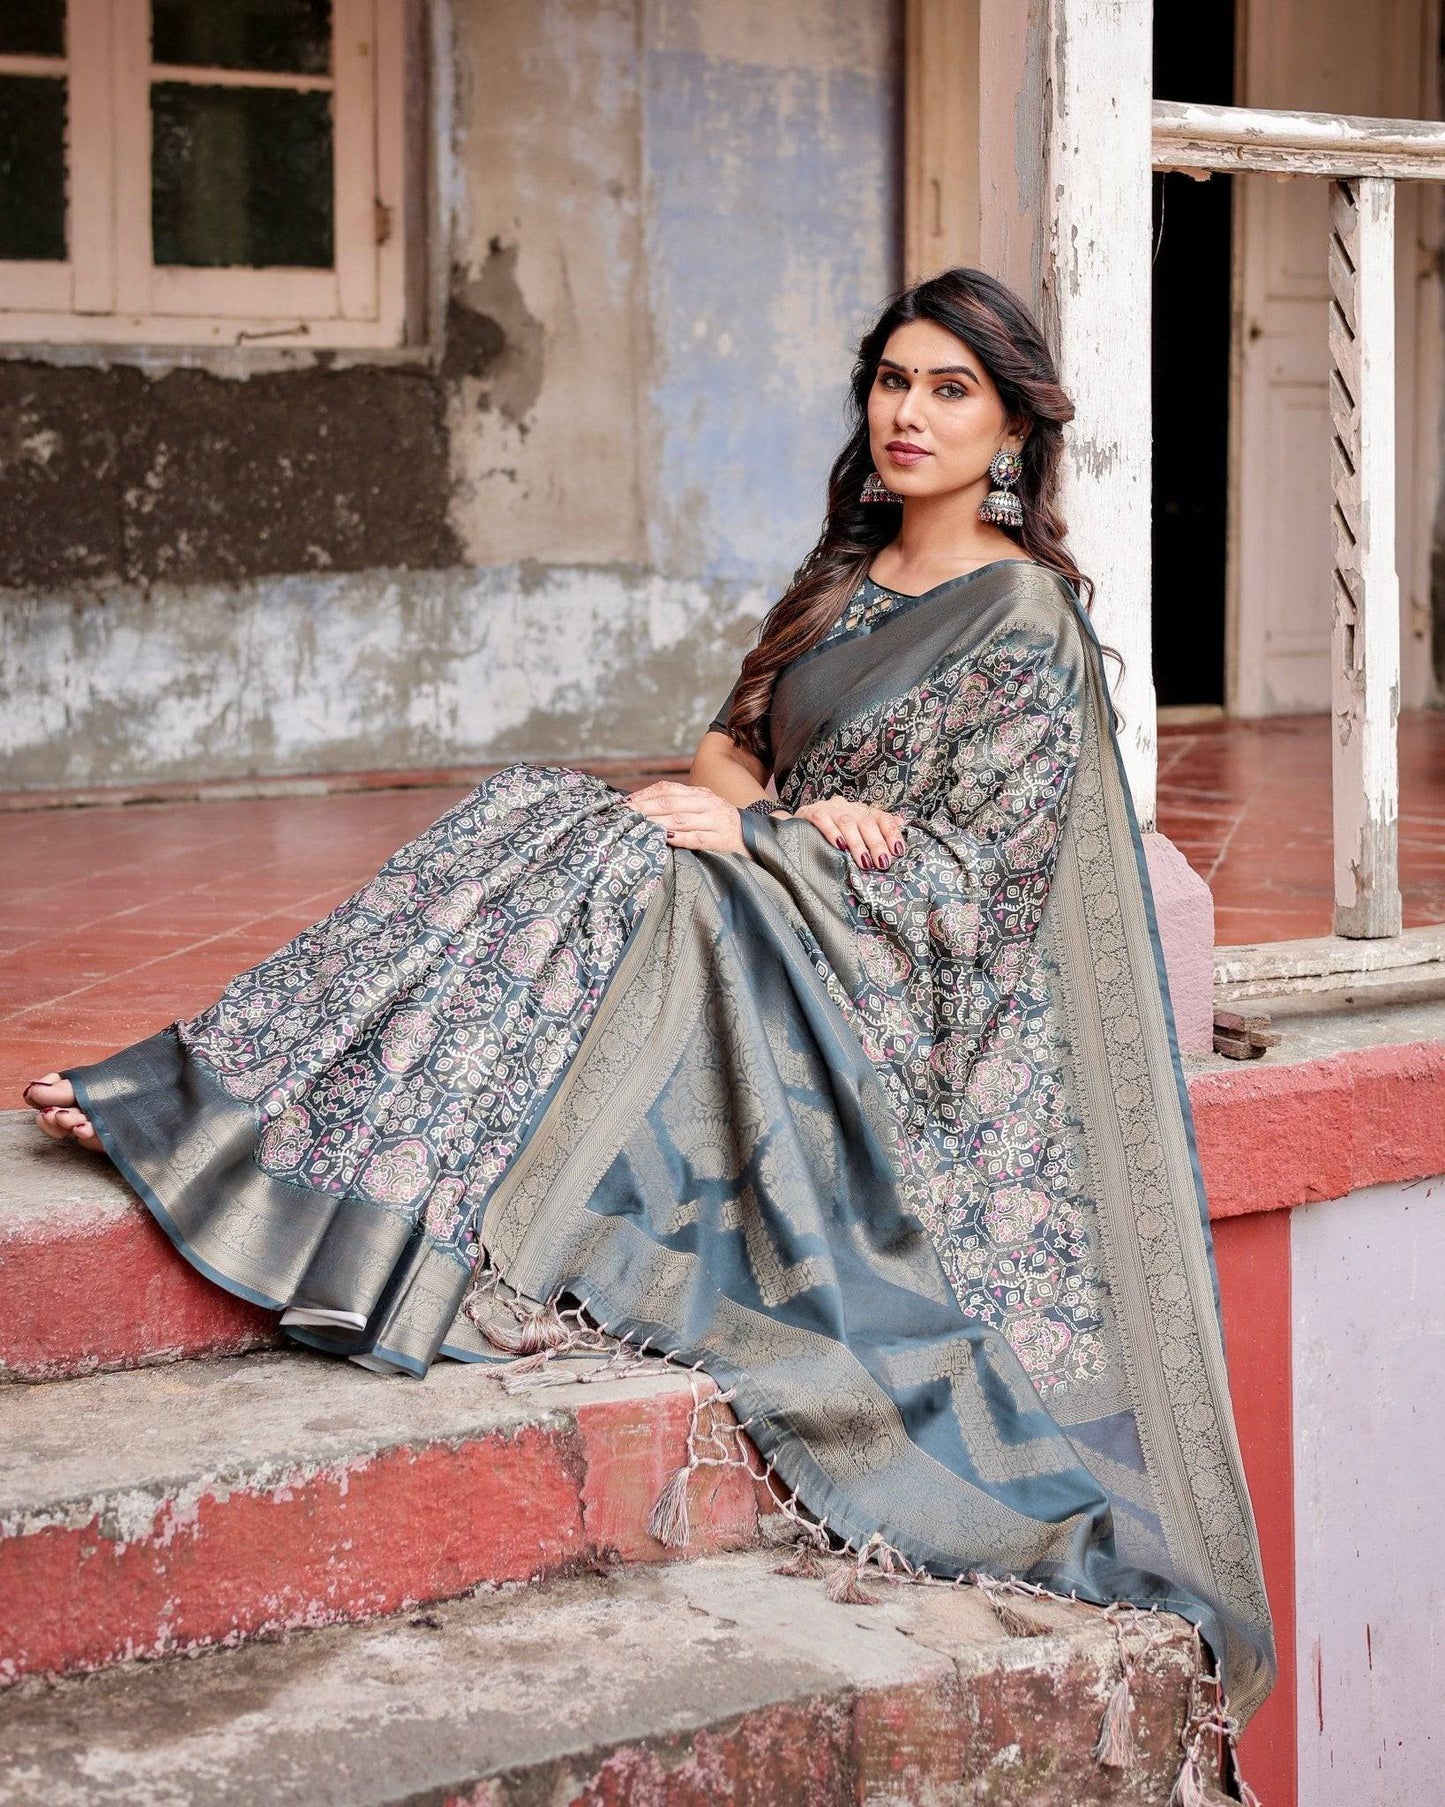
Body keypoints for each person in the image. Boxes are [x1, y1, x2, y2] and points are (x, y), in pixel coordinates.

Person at [24, 268, 1273, 1752]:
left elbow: (982, 891)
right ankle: (232, 1092)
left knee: (617, 857)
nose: (908, 413)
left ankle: (273, 1123)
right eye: (891, 380)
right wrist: (749, 814)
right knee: (551, 819)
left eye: (949, 389)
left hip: (873, 983)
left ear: (1010, 424)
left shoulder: (1020, 618)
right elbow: (730, 749)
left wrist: (784, 843)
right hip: (771, 895)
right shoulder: (843, 580)